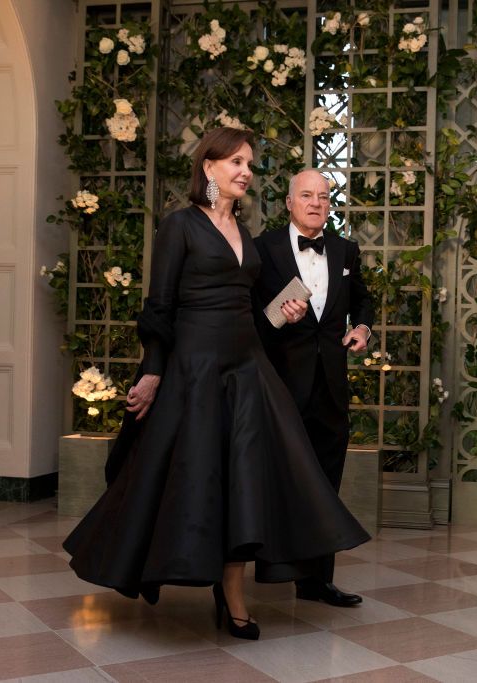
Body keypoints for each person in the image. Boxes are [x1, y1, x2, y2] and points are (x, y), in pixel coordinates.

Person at [63, 128, 370, 641]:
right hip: (196, 370)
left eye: (249, 163)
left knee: (246, 484)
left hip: (247, 371)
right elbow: (159, 307)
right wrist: (154, 371)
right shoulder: (180, 226)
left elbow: (253, 313)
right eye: (235, 161)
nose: (245, 171)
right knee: (191, 480)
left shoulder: (245, 235)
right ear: (208, 168)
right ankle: (185, 573)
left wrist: (282, 313)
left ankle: (234, 595)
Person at [252, 169, 374, 608]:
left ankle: (316, 581)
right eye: (306, 195)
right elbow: (248, 317)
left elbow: (362, 299)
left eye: (323, 196)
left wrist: (361, 327)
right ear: (289, 202)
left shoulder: (345, 249)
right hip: (278, 386)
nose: (316, 203)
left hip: (330, 389)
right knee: (270, 479)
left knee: (325, 483)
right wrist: (278, 314)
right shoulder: (262, 248)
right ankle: (256, 572)